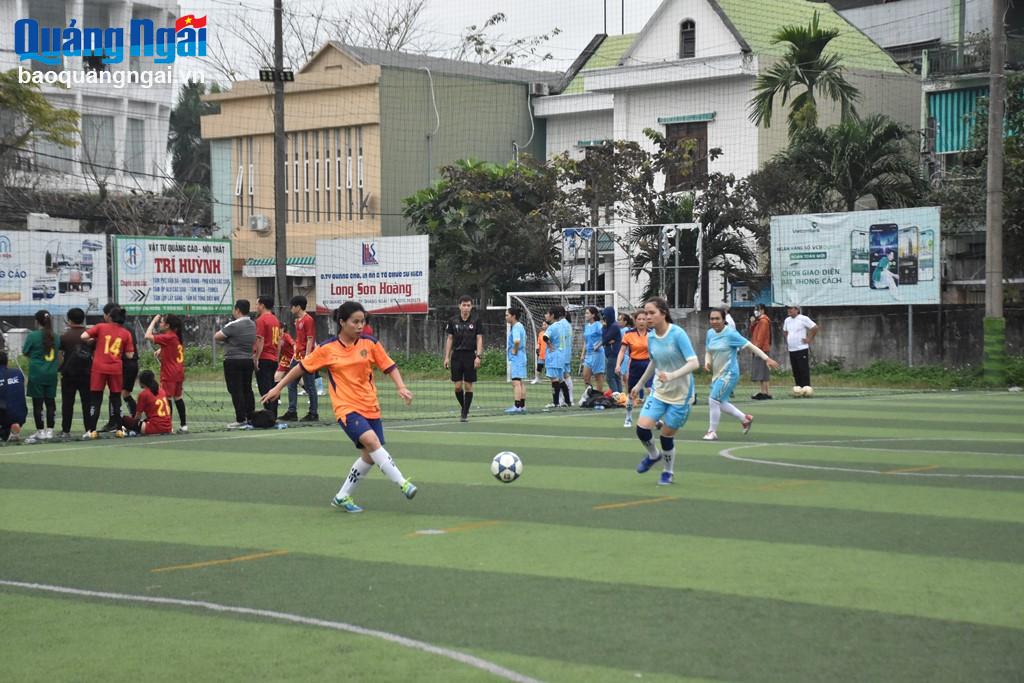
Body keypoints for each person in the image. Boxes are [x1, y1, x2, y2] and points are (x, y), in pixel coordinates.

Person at [262, 301, 417, 513]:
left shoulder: (370, 344)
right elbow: (301, 368)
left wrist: (401, 387)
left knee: (369, 456)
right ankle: (402, 483)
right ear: (342, 322)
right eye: (355, 321)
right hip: (346, 408)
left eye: (362, 321)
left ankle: (342, 496)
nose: (360, 325)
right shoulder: (327, 349)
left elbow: (389, 366)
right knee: (371, 442)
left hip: (370, 406)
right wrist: (278, 387)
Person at [629, 298, 700, 486]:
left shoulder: (678, 334)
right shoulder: (651, 337)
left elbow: (694, 363)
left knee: (666, 435)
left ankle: (668, 472)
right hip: (659, 392)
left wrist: (672, 375)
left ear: (663, 313)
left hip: (681, 395)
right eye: (645, 313)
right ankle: (653, 455)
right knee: (642, 428)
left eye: (652, 313)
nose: (647, 316)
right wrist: (639, 384)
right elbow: (654, 362)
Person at [702, 308, 780, 441]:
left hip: (729, 373)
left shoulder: (731, 334)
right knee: (719, 402)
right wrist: (707, 363)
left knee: (713, 400)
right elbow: (708, 350)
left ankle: (712, 432)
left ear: (723, 319)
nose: (714, 321)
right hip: (717, 374)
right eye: (712, 319)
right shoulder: (710, 333)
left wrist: (767, 358)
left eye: (717, 318)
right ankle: (745, 418)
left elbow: (750, 346)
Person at [80, 305, 135, 440]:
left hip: (99, 367)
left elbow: (83, 336)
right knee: (116, 398)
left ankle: (91, 430)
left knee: (96, 399)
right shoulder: (126, 333)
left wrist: (95, 341)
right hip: (115, 368)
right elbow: (129, 355)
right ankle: (119, 429)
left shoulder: (100, 327)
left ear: (110, 317)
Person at [214, 299, 257, 429]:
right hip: (248, 360)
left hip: (233, 361)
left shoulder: (234, 325)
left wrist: (227, 339)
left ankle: (240, 419)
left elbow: (217, 336)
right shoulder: (252, 324)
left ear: (237, 310)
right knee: (247, 389)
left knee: (236, 390)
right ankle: (250, 417)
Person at [22, 309, 59, 443]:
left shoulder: (33, 336)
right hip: (51, 374)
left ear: (37, 321)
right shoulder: (56, 336)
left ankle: (40, 431)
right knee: (50, 402)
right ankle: (50, 430)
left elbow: (25, 352)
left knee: (38, 404)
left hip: (37, 374)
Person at [146, 313, 188, 433]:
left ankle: (168, 426)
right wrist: (161, 350)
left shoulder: (168, 336)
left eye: (162, 322)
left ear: (168, 325)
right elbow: (173, 347)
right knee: (178, 398)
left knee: (167, 399)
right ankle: (184, 425)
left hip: (169, 374)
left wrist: (154, 320)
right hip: (179, 372)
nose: (160, 323)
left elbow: (147, 336)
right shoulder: (175, 337)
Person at [443, 295, 483, 422]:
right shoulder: (452, 321)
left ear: (471, 307)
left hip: (470, 355)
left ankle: (464, 413)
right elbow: (449, 338)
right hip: (457, 356)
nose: (466, 307)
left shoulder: (476, 320)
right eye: (464, 305)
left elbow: (479, 338)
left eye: (468, 305)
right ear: (459, 306)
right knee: (458, 386)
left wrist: (478, 356)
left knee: (468, 386)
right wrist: (446, 357)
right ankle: (464, 407)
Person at [280, 295, 319, 422]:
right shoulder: (297, 321)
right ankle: (292, 412)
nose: (290, 309)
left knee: (309, 385)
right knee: (291, 384)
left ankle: (313, 413)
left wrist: (308, 356)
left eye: (292, 306)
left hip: (306, 357)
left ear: (297, 307)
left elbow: (310, 339)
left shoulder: (308, 320)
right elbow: (300, 339)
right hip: (297, 357)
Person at [104, 306, 140, 432]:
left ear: (109, 315)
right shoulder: (129, 327)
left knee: (115, 393)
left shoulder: (115, 329)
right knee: (125, 394)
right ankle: (136, 419)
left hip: (124, 363)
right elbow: (134, 347)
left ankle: (113, 422)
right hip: (133, 363)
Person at [57, 307, 91, 441]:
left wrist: (62, 367)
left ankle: (66, 430)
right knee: (87, 402)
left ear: (69, 320)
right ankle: (89, 429)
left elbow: (60, 355)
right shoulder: (89, 334)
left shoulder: (65, 336)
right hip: (86, 373)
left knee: (67, 403)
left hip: (69, 374)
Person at [617, 309, 650, 428]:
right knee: (632, 393)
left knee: (651, 391)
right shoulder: (629, 334)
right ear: (635, 321)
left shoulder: (652, 334)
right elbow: (622, 351)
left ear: (647, 321)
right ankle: (628, 417)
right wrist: (618, 364)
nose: (641, 321)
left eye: (644, 319)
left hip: (649, 364)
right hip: (635, 364)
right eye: (639, 319)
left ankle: (651, 418)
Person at [117, 370, 172, 436]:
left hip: (154, 427)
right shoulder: (162, 390)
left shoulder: (143, 394)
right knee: (144, 420)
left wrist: (132, 423)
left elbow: (138, 416)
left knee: (123, 419)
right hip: (168, 427)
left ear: (142, 382)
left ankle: (130, 431)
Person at [253, 295, 281, 419]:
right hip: (273, 358)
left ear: (262, 305)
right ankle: (273, 415)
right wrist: (277, 357)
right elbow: (279, 341)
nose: (257, 307)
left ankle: (269, 417)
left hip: (264, 358)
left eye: (257, 304)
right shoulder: (275, 320)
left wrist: (256, 358)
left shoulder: (261, 320)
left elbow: (260, 340)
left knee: (265, 389)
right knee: (272, 388)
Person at [542, 305, 572, 409]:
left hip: (553, 357)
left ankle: (555, 403)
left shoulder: (552, 327)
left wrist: (550, 345)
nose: (546, 316)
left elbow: (545, 337)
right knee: (560, 379)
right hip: (561, 356)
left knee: (554, 379)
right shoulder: (562, 326)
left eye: (547, 314)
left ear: (552, 315)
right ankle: (568, 401)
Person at [783, 305, 818, 391]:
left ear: (796, 310)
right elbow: (785, 331)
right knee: (796, 370)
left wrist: (809, 339)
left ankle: (806, 388)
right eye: (788, 309)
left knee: (803, 369)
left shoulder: (803, 318)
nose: (789, 310)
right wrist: (789, 339)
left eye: (791, 308)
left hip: (801, 348)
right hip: (792, 349)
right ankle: (798, 388)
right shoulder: (787, 320)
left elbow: (814, 327)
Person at [504, 307, 528, 414]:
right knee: (520, 382)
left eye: (507, 315)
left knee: (516, 382)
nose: (506, 317)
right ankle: (522, 405)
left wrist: (514, 350)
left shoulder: (516, 327)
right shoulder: (519, 326)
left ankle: (517, 406)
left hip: (517, 357)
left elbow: (517, 341)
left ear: (513, 316)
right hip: (521, 356)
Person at [0, 351, 27, 443]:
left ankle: (6, 429)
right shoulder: (18, 372)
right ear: (7, 362)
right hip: (21, 414)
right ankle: (13, 427)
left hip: (4, 414)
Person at [748, 304, 773, 400]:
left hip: (761, 349)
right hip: (761, 348)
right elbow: (752, 331)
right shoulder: (759, 321)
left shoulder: (763, 321)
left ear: (762, 310)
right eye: (755, 309)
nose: (755, 311)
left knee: (762, 371)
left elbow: (761, 336)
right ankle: (765, 391)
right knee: (763, 371)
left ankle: (764, 392)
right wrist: (752, 323)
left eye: (757, 309)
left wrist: (756, 348)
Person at [580, 306, 605, 396]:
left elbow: (605, 337)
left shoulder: (598, 325)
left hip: (597, 354)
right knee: (586, 376)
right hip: (588, 354)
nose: (585, 315)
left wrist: (598, 345)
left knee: (598, 376)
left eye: (587, 313)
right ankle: (589, 395)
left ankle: (599, 397)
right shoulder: (587, 326)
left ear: (593, 315)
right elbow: (585, 341)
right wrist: (583, 354)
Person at [601, 306, 622, 393]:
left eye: (605, 315)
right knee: (616, 376)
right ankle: (620, 395)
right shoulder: (611, 326)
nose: (604, 317)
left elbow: (604, 339)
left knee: (610, 377)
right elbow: (606, 340)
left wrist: (604, 328)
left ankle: (616, 395)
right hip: (612, 354)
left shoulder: (613, 326)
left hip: (614, 354)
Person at [532, 320, 548, 384]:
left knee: (550, 368)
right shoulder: (541, 333)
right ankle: (537, 379)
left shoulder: (551, 332)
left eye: (545, 325)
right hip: (542, 354)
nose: (543, 326)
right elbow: (539, 343)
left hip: (549, 354)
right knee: (539, 367)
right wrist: (537, 349)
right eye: (543, 325)